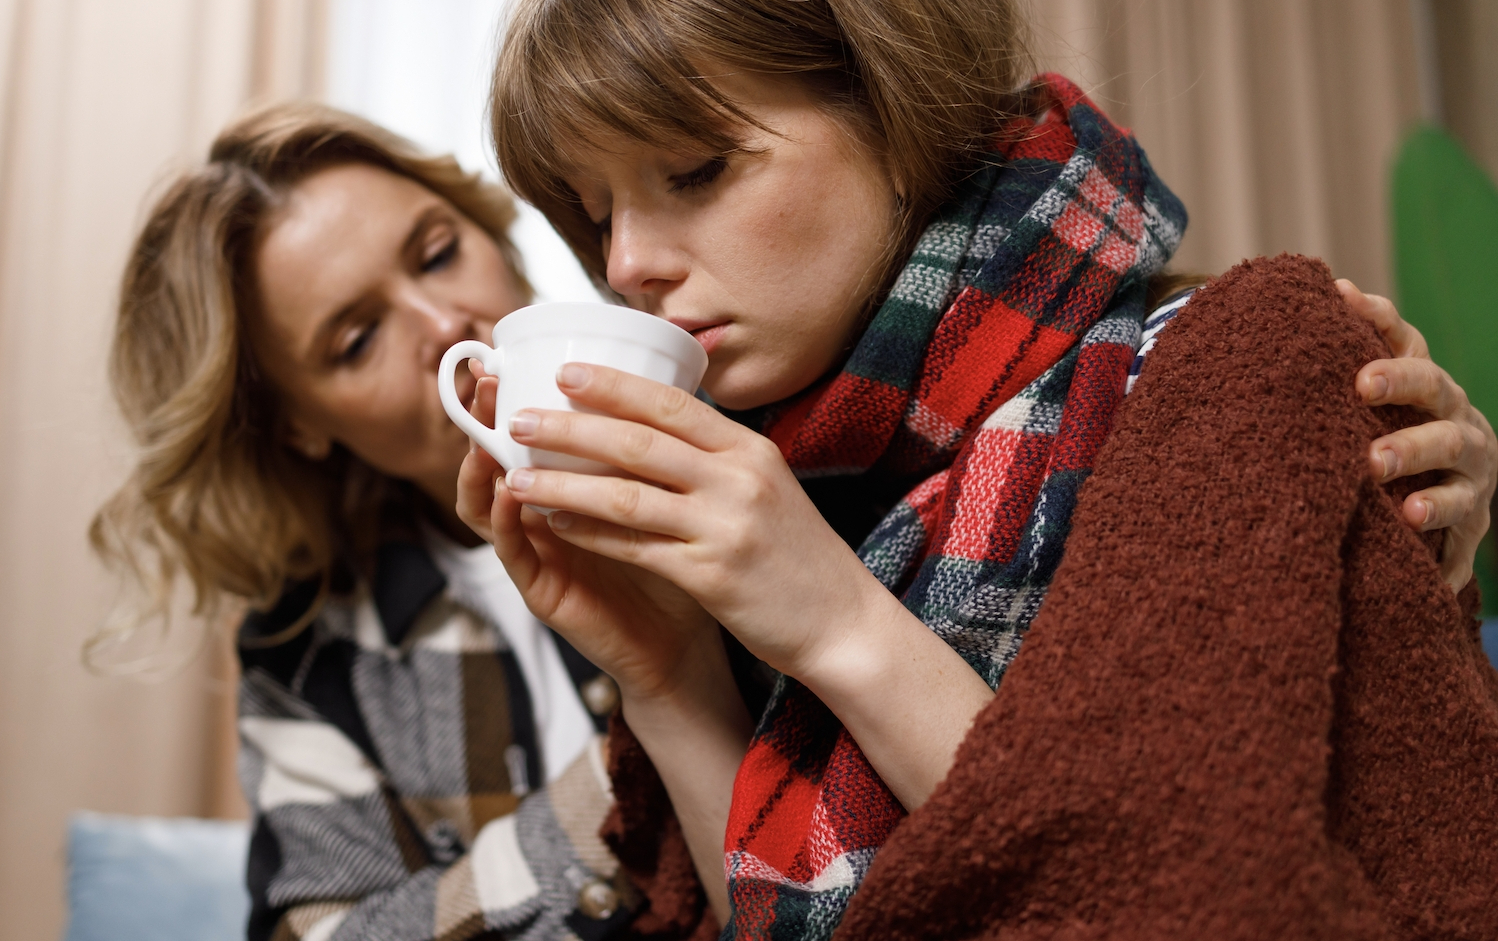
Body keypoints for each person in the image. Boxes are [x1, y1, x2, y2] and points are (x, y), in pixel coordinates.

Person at [456, 0, 1498, 937]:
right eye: (596, 215)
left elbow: (1180, 890)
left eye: (693, 168)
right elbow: (772, 913)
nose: (628, 261)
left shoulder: (1229, 366)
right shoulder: (759, 480)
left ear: (892, 113)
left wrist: (831, 617)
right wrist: (669, 673)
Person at [91, 104, 644, 941]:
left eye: (438, 252)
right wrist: (612, 797)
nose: (442, 324)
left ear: (488, 228)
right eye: (356, 340)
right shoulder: (308, 655)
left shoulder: (726, 431)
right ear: (298, 424)